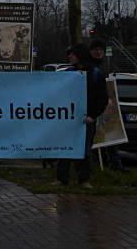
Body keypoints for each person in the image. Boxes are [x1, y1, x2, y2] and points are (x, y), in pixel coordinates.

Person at [54, 43, 109, 188]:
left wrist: (92, 116)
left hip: (86, 120)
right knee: (64, 149)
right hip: (68, 119)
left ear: (79, 55)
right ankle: (61, 179)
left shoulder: (95, 74)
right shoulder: (68, 73)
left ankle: (84, 180)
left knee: (84, 151)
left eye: (72, 54)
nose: (69, 57)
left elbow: (102, 99)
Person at [88, 39, 126, 171]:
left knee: (111, 135)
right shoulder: (89, 66)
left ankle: (115, 164)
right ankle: (94, 165)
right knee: (93, 136)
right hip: (93, 106)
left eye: (100, 50)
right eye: (95, 49)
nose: (98, 52)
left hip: (107, 106)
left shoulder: (106, 65)